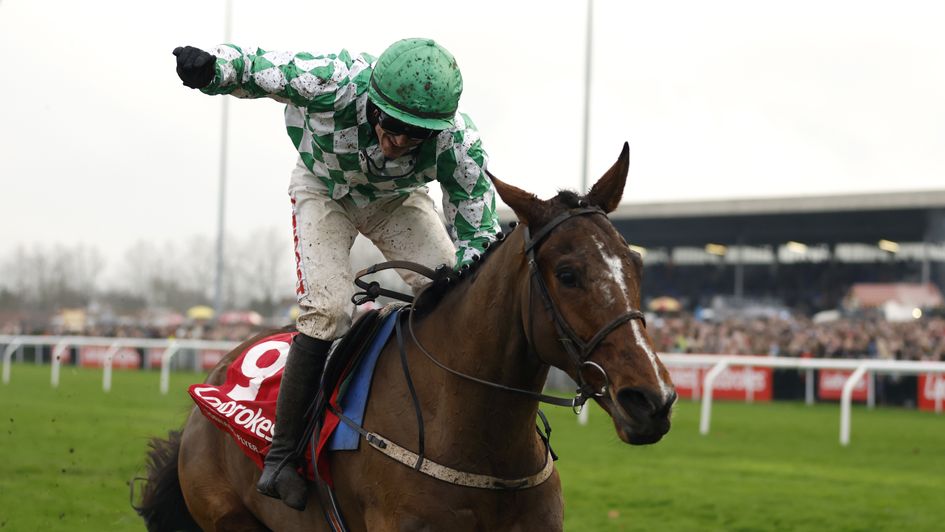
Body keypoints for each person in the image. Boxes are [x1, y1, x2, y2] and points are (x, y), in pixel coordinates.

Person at [173, 38, 500, 510]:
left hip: (395, 202)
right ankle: (282, 457)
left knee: (456, 298)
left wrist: (461, 277)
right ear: (372, 102)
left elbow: (478, 228)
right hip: (323, 190)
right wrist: (213, 69)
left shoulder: (459, 144)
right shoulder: (335, 81)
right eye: (392, 124)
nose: (400, 141)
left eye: (416, 133)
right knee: (328, 310)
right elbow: (266, 69)